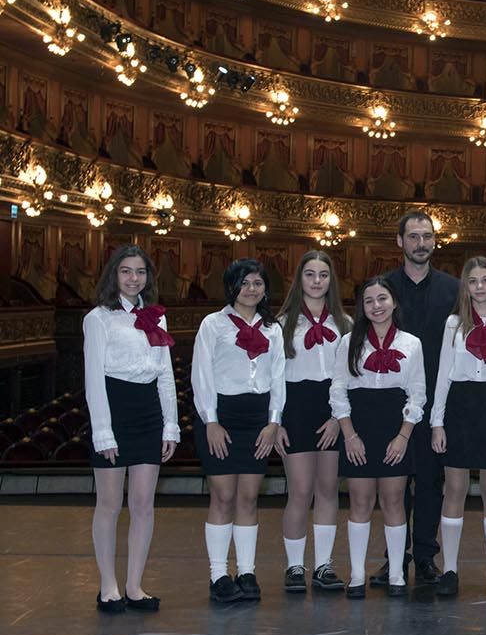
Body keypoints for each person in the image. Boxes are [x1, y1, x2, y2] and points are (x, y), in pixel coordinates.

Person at [84, 245, 178, 612]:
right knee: (109, 504)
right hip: (113, 407)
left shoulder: (157, 317)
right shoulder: (98, 318)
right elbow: (94, 380)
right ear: (114, 275)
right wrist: (103, 432)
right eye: (126, 271)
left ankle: (134, 585)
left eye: (140, 272)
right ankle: (108, 585)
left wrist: (170, 425)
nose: (133, 278)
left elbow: (166, 376)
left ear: (147, 277)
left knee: (143, 504)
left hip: (148, 412)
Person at [192, 259, 285, 603]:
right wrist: (210, 421)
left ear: (265, 289)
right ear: (232, 286)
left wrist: (273, 422)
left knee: (248, 497)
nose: (251, 289)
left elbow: (278, 378)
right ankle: (219, 575)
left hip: (258, 419)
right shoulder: (213, 325)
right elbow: (201, 375)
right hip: (221, 418)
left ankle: (246, 572)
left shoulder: (273, 329)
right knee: (223, 497)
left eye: (257, 283)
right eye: (244, 283)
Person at [430, 257, 486, 596]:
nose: (480, 287)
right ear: (465, 287)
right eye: (473, 281)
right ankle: (450, 569)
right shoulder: (453, 323)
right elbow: (442, 374)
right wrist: (437, 421)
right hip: (459, 406)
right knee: (453, 489)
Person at [331, 277, 426, 599]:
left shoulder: (412, 343)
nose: (376, 306)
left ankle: (397, 572)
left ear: (394, 302)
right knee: (359, 502)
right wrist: (349, 435)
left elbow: (417, 394)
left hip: (394, 426)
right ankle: (357, 574)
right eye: (369, 300)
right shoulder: (348, 342)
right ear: (362, 306)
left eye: (382, 298)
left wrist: (403, 436)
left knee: (394, 500)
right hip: (358, 427)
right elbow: (338, 391)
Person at [379, 211, 459, 587]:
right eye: (413, 237)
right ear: (400, 242)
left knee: (429, 482)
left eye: (427, 236)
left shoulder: (452, 289)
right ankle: (393, 557)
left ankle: (426, 555)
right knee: (391, 484)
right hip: (387, 401)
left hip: (435, 402)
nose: (421, 243)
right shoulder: (381, 288)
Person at [275, 250, 350, 593]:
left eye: (323, 275)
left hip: (332, 409)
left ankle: (323, 565)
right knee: (300, 490)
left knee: (328, 488)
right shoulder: (281, 324)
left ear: (330, 280)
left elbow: (348, 376)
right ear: (299, 279)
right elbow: (273, 378)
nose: (317, 281)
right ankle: (294, 566)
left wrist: (339, 417)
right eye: (310, 274)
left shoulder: (345, 324)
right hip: (295, 409)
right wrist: (276, 421)